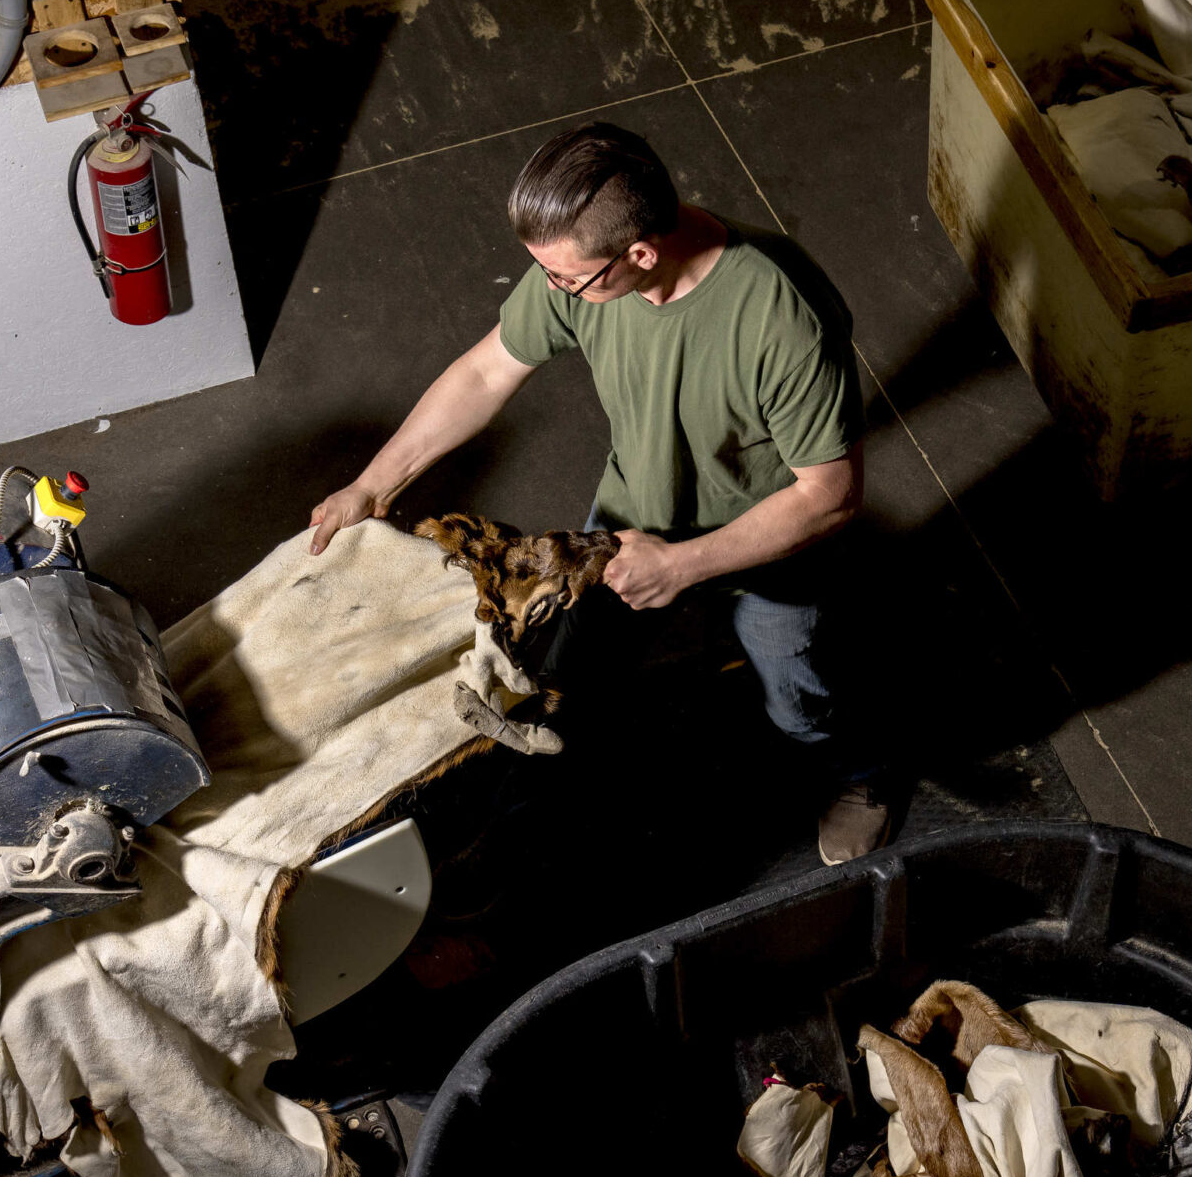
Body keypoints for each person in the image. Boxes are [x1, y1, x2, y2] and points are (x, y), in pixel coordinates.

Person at [305, 121, 889, 865]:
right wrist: (371, 484)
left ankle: (861, 780)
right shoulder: (583, 265)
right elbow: (487, 372)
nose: (551, 290)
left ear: (640, 254)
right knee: (570, 678)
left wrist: (682, 567)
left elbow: (830, 495)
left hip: (771, 541)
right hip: (633, 519)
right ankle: (543, 815)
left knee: (798, 697)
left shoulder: (784, 317)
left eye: (562, 278)